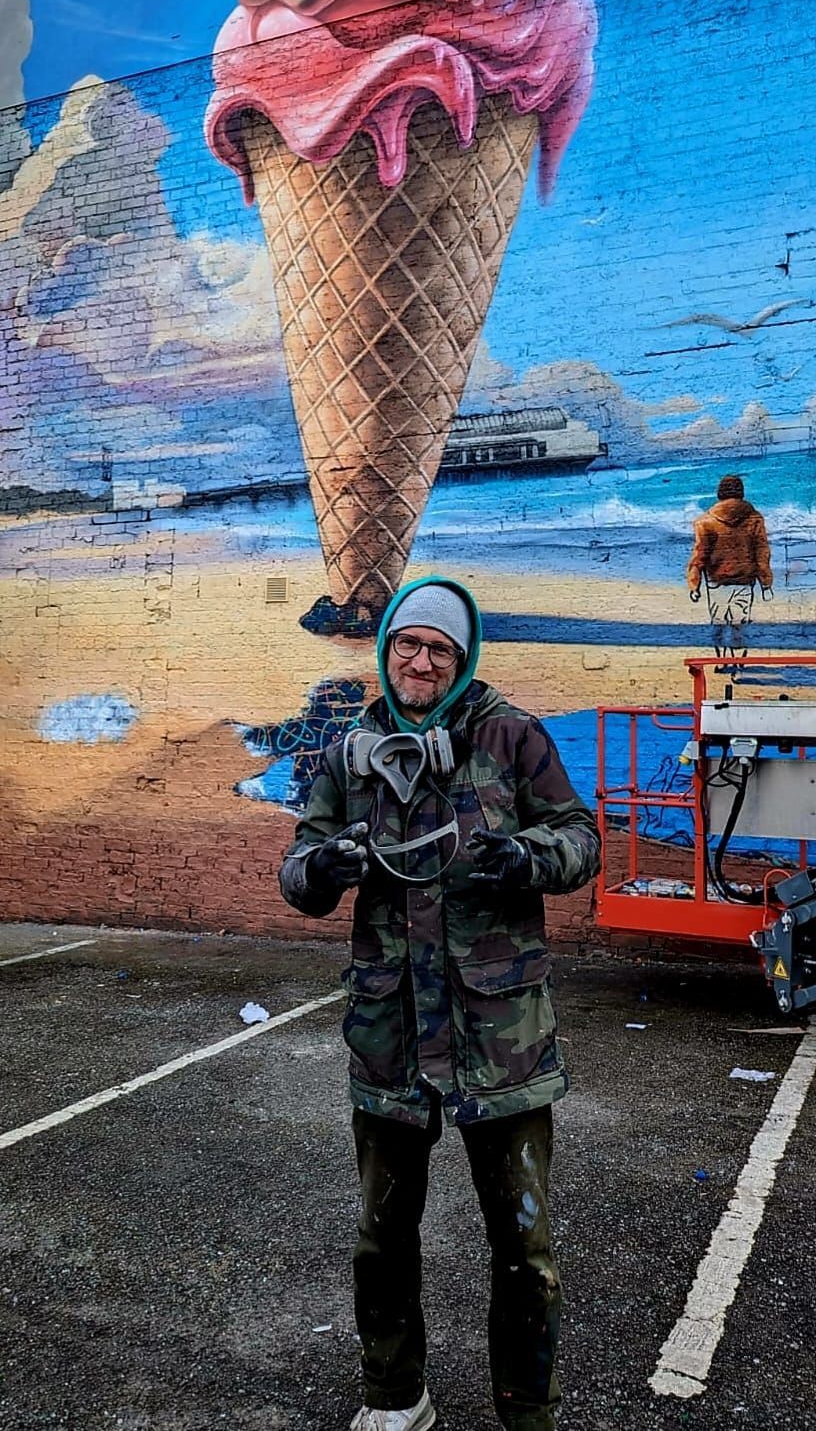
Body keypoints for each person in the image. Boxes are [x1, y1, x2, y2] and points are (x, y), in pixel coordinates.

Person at [279, 576, 601, 1431]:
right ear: (386, 649)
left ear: (462, 662)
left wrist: (525, 859)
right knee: (381, 1239)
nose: (419, 662)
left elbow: (581, 839)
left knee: (524, 1251)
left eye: (439, 651)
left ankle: (527, 1413)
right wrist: (325, 869)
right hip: (389, 1036)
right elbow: (297, 869)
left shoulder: (512, 735)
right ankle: (394, 1397)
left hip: (499, 1039)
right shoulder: (350, 750)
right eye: (406, 646)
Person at [686, 473, 773, 675]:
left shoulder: (705, 522)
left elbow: (699, 555)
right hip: (744, 581)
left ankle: (722, 661)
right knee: (739, 624)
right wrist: (766, 583)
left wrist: (694, 583)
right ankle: (737, 664)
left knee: (718, 623)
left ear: (720, 494)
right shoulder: (755, 519)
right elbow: (762, 552)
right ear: (741, 493)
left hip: (716, 582)